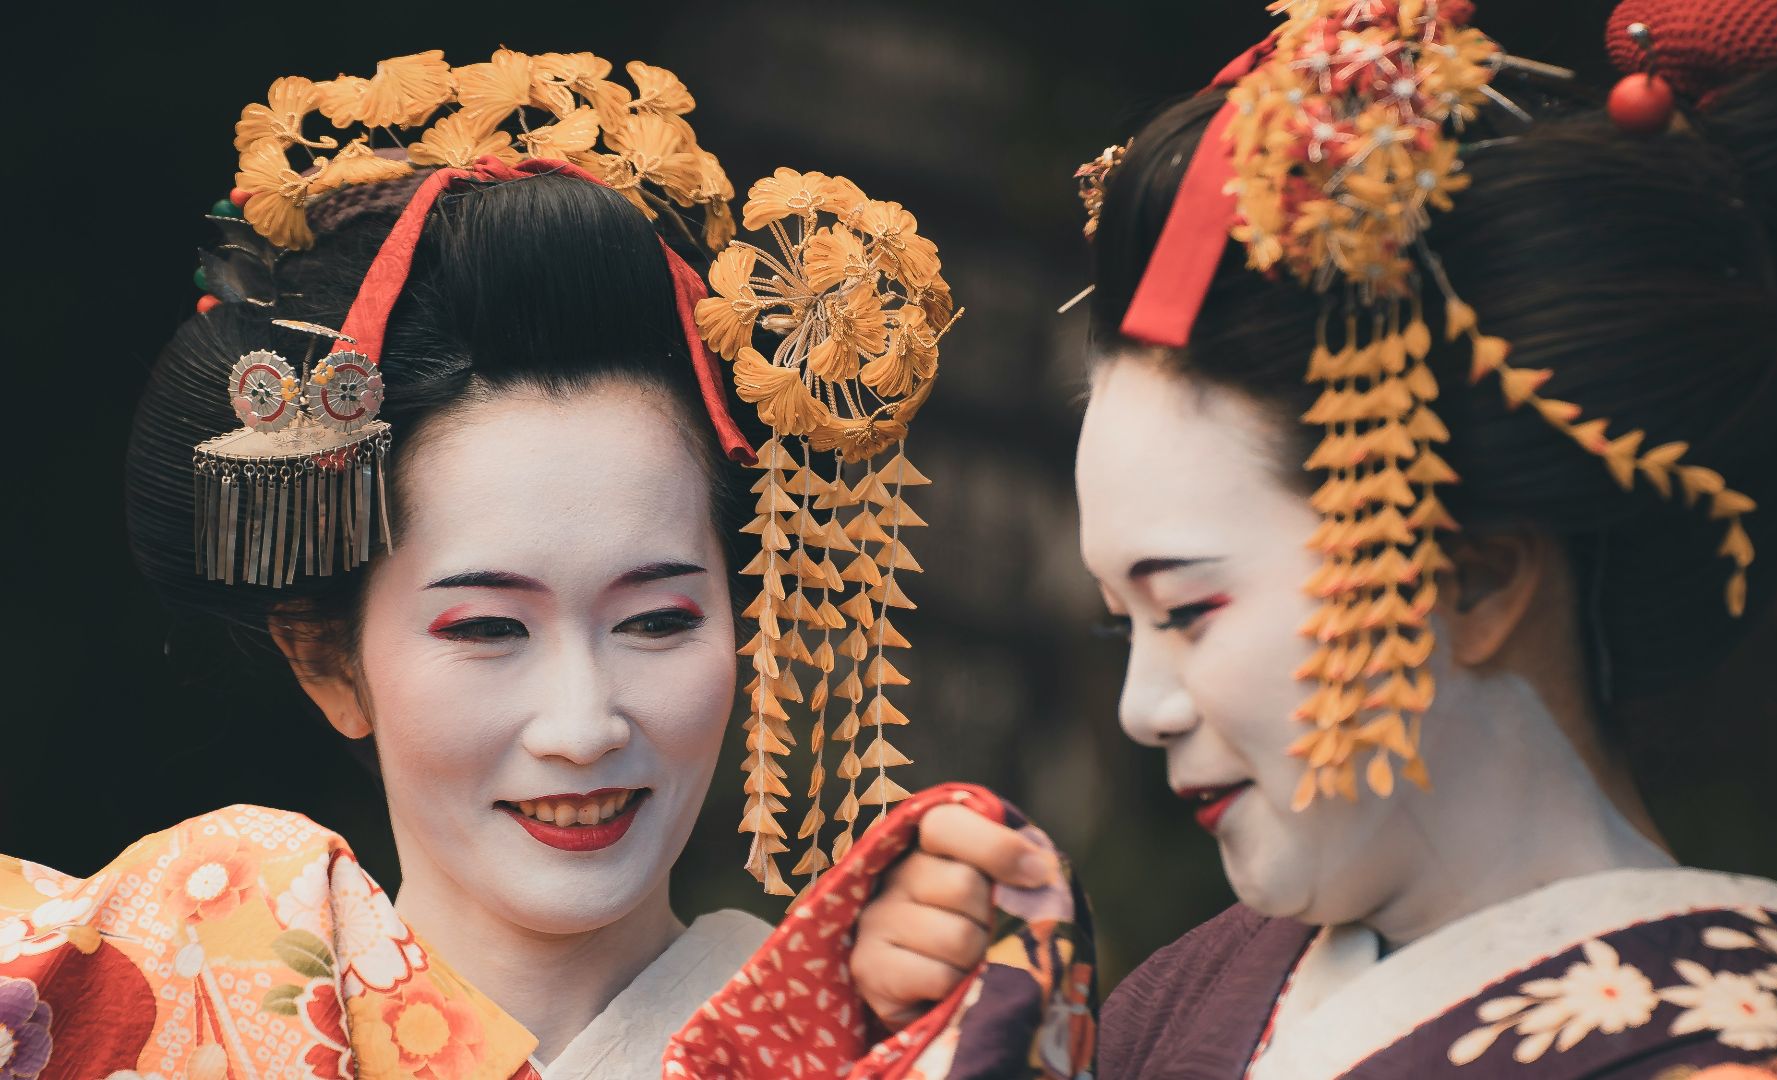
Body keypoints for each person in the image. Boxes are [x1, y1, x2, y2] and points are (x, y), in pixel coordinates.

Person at [0, 49, 1062, 1079]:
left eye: (658, 620)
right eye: (487, 628)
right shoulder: (187, 992)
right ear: (326, 659)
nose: (584, 727)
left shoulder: (902, 1046)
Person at [1057, 0, 1777, 1076]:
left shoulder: (1714, 1054)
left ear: (1474, 581)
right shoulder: (1188, 996)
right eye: (1123, 625)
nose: (1143, 707)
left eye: (1187, 610)